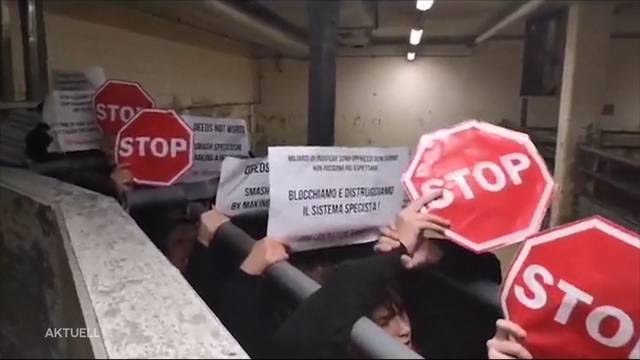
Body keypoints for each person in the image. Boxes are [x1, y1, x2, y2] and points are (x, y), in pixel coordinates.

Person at [269, 192, 502, 358]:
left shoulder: (427, 340)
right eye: (383, 322)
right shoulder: (326, 335)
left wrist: (436, 253)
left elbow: (488, 272)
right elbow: (295, 342)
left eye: (401, 313)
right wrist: (393, 254)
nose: (405, 329)